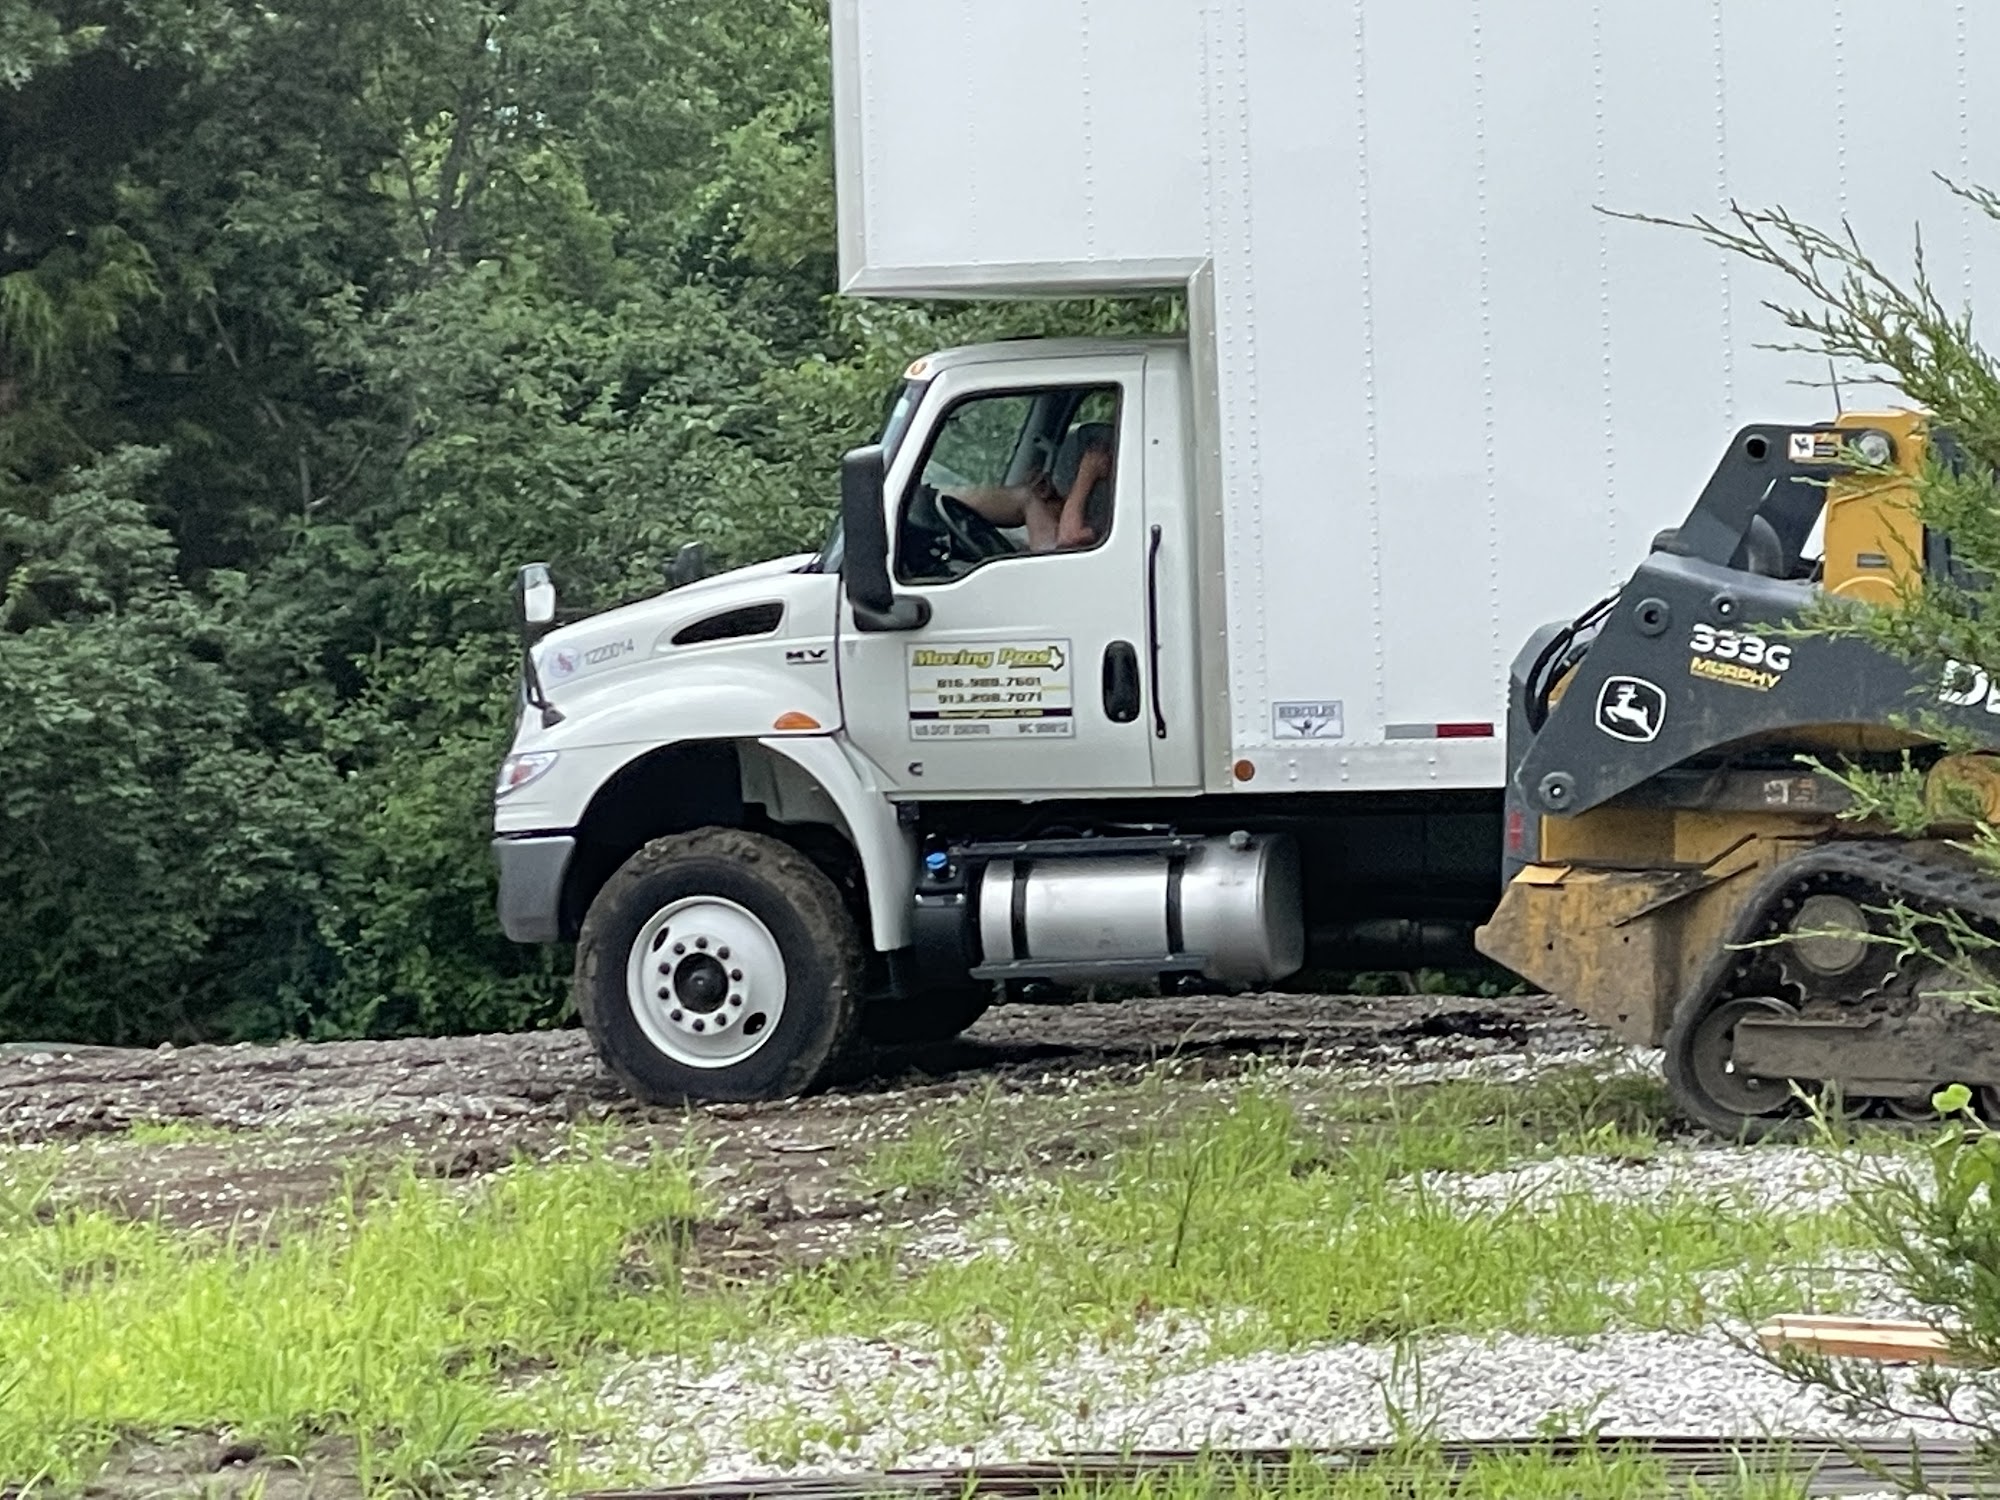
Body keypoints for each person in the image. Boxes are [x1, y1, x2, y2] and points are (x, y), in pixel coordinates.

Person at [946, 432, 1113, 553]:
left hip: (1059, 571)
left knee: (1025, 498)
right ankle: (943, 499)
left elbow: (1069, 539)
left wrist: (1086, 474)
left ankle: (942, 498)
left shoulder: (1113, 512)